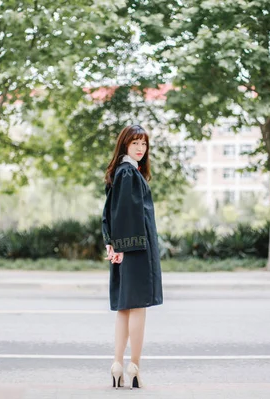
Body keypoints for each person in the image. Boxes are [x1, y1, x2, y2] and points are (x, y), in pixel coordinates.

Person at [101, 124, 163, 389]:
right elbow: (124, 213)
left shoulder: (124, 172)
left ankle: (117, 364)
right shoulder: (128, 173)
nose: (140, 148)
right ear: (125, 144)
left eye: (144, 144)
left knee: (125, 307)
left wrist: (112, 244)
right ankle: (134, 367)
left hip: (127, 248)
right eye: (135, 143)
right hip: (136, 249)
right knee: (138, 307)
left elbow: (108, 213)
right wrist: (121, 247)